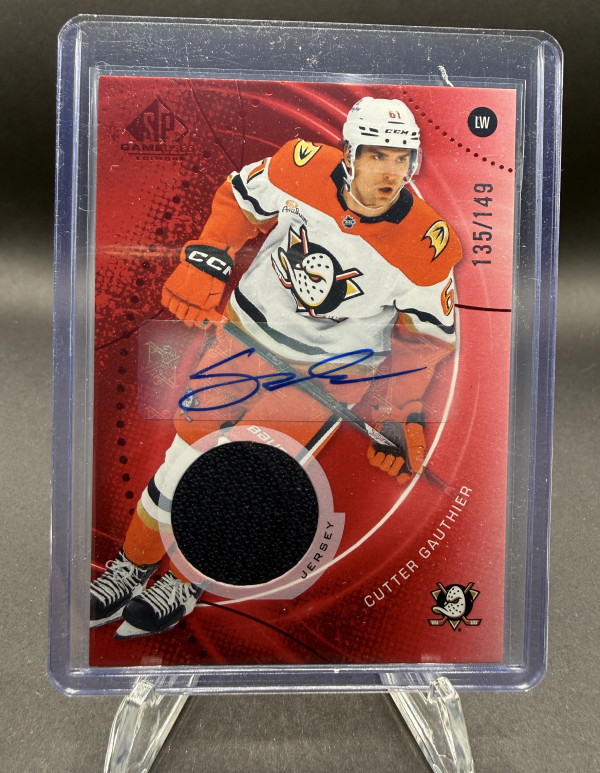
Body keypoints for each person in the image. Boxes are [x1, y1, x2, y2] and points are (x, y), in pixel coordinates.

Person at [90, 96, 462, 638]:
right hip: (245, 334)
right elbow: (240, 198)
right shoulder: (300, 166)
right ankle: (132, 566)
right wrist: (208, 257)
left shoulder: (426, 245)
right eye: (377, 155)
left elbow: (425, 337)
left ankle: (185, 581)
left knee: (244, 474)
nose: (391, 172)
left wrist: (397, 407)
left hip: (326, 375)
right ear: (350, 153)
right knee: (184, 453)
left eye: (402, 158)